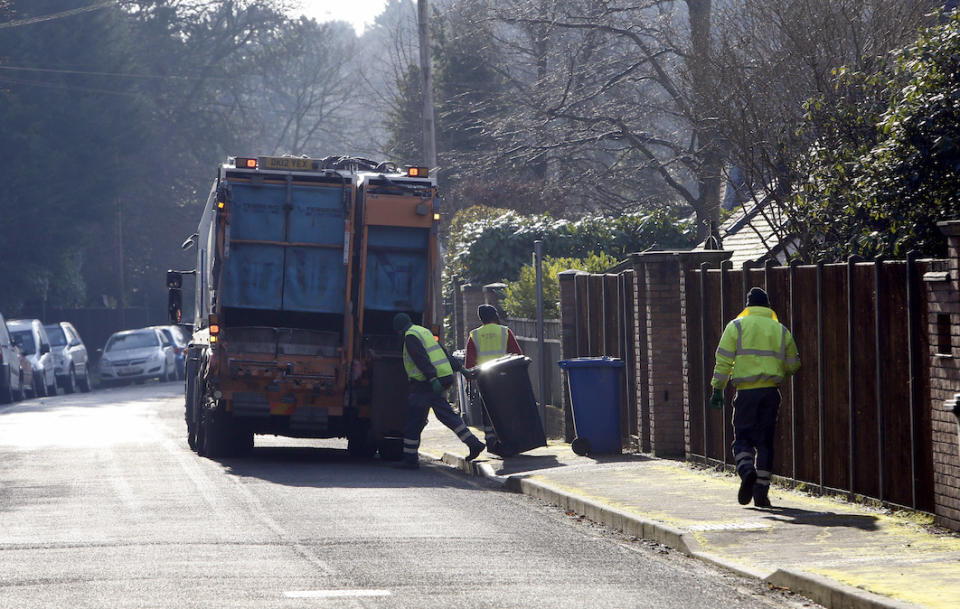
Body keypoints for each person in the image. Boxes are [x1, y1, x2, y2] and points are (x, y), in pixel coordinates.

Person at [710, 287, 800, 508]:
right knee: (765, 443)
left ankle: (746, 471)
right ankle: (761, 492)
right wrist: (777, 371)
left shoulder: (736, 326)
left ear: (748, 306)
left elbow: (723, 361)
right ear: (768, 306)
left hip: (746, 392)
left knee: (742, 438)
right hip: (771, 392)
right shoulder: (780, 330)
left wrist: (717, 389)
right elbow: (794, 364)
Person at [393, 313, 485, 469]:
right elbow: (443, 352)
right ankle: (474, 443)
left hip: (425, 384)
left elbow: (420, 359)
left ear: (399, 329)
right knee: (447, 415)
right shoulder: (424, 332)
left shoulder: (410, 336)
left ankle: (410, 459)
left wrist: (431, 378)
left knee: (414, 420)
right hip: (443, 378)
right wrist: (461, 369)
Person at [464, 304, 523, 452]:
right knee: (506, 408)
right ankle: (508, 438)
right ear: (495, 315)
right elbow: (517, 354)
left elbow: (470, 362)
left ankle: (491, 440)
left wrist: (469, 381)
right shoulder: (505, 332)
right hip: (505, 377)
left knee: (488, 409)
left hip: (485, 379)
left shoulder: (474, 335)